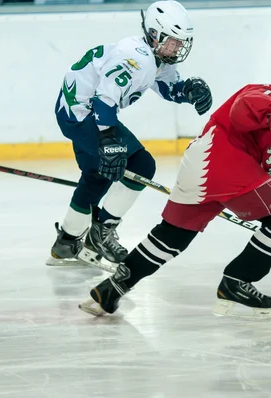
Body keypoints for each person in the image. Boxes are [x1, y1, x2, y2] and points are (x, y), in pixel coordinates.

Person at [78, 65, 271, 319]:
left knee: (173, 235)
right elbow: (245, 107)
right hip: (223, 161)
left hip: (202, 165)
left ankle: (111, 290)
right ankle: (237, 281)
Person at [46, 0, 212, 270]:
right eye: (173, 41)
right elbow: (103, 102)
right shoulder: (136, 58)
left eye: (181, 42)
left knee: (96, 176)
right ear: (155, 34)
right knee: (142, 164)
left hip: (74, 111)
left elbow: (167, 87)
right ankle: (102, 232)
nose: (178, 47)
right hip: (82, 114)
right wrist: (109, 140)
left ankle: (66, 242)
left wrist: (187, 92)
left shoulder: (156, 55)